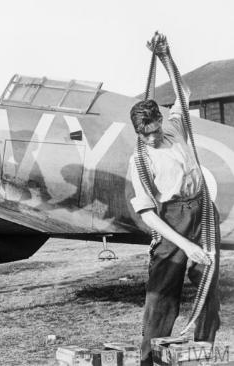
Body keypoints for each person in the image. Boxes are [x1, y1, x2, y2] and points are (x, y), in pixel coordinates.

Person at [128, 33, 220, 366]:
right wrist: (184, 244)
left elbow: (184, 93)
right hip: (169, 222)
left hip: (201, 212)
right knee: (159, 298)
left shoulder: (174, 128)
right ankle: (149, 360)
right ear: (138, 132)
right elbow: (149, 216)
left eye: (154, 130)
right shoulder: (139, 160)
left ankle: (202, 354)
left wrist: (166, 56)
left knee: (209, 291)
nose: (152, 138)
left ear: (159, 121)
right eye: (145, 134)